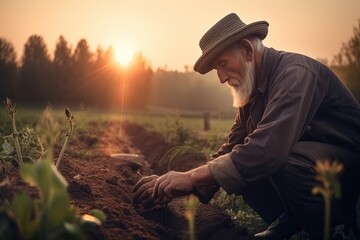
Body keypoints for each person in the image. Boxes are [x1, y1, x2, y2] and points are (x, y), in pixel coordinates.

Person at [133, 13, 360, 239]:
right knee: (234, 161)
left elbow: (268, 151)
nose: (221, 78)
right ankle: (294, 220)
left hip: (348, 168)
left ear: (247, 50)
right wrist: (179, 184)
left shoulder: (295, 73)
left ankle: (333, 229)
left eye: (223, 64)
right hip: (317, 166)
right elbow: (231, 149)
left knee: (272, 159)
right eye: (216, 70)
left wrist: (192, 177)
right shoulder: (251, 92)